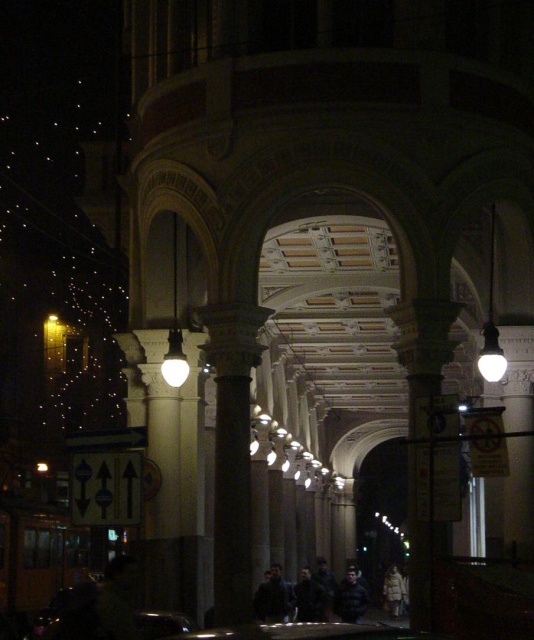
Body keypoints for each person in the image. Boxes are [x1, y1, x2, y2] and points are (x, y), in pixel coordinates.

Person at [96, 555, 139, 640]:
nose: (135, 577)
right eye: (131, 573)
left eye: (136, 573)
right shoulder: (111, 602)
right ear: (117, 574)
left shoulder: (116, 597)